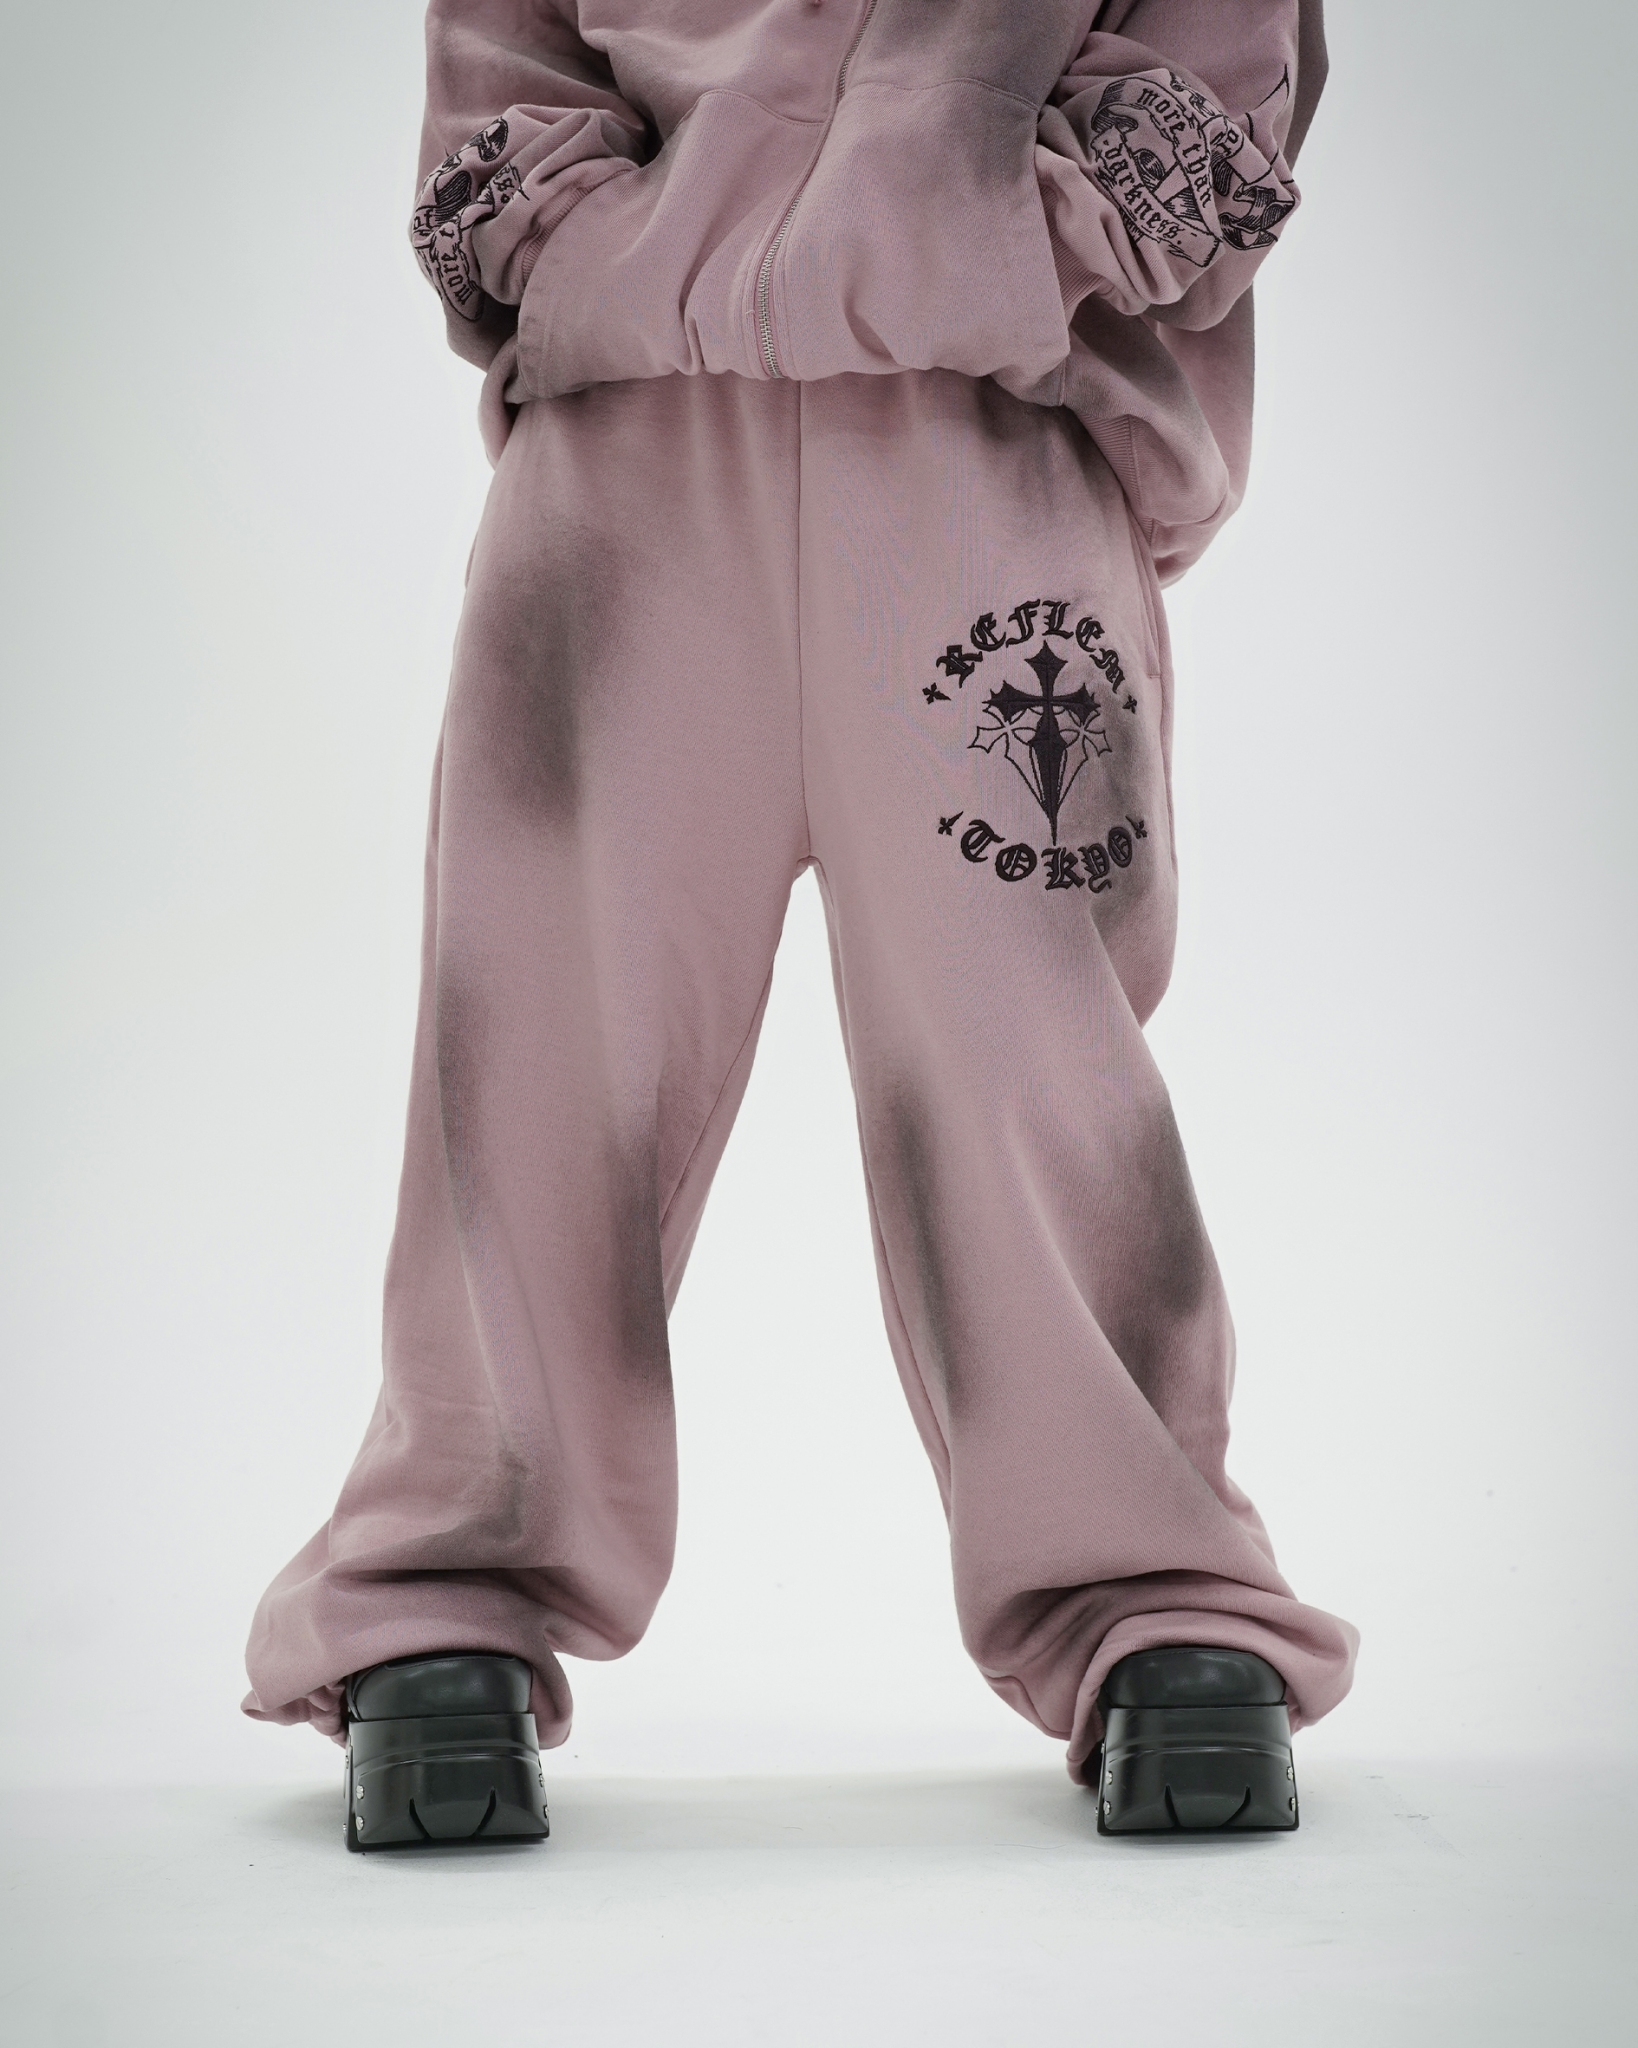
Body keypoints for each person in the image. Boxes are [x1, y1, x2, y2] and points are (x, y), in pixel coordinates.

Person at [244, 0, 1357, 1851]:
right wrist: (795, 246)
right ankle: (445, 1594)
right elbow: (495, 126)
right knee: (538, 1046)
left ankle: (1148, 1591)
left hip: (986, 464)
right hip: (624, 484)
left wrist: (823, 239)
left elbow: (1201, 129)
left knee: (1029, 1060)